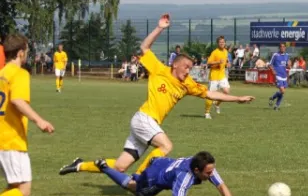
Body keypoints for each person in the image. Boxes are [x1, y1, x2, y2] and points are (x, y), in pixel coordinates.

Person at [59, 14, 255, 178]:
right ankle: (139, 179)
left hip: (147, 124)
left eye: (190, 68)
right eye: (186, 67)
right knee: (166, 145)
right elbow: (144, 48)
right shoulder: (159, 70)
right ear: (175, 65)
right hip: (144, 119)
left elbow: (210, 93)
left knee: (119, 167)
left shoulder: (187, 85)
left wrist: (237, 98)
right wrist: (159, 28)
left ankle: (79, 165)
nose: (188, 71)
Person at [0, 34, 55, 196]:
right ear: (21, 52)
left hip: (1, 136)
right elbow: (18, 101)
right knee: (24, 189)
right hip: (12, 139)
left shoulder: (2, 73)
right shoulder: (19, 73)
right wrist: (39, 121)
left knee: (13, 187)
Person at [94, 151, 244, 196]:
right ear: (197, 170)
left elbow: (220, 185)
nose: (212, 174)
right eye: (209, 172)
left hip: (163, 162)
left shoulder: (204, 165)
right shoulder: (184, 176)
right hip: (155, 175)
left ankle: (137, 176)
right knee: (136, 190)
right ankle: (104, 167)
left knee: (136, 185)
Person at [204, 36, 231, 119]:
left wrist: (227, 63)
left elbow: (226, 60)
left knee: (226, 92)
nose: (222, 43)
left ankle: (217, 104)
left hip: (222, 76)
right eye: (220, 42)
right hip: (214, 77)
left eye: (223, 42)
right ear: (218, 43)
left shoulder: (226, 51)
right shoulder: (215, 52)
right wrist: (218, 62)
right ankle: (207, 113)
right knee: (211, 95)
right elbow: (208, 63)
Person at [268, 43, 291, 110]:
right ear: (279, 48)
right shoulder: (275, 55)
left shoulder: (287, 55)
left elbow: (287, 65)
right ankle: (276, 104)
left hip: (284, 76)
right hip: (278, 75)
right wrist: (273, 70)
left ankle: (274, 101)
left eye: (284, 47)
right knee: (282, 91)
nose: (283, 48)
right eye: (281, 47)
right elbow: (270, 64)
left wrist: (289, 65)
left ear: (285, 48)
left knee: (282, 92)